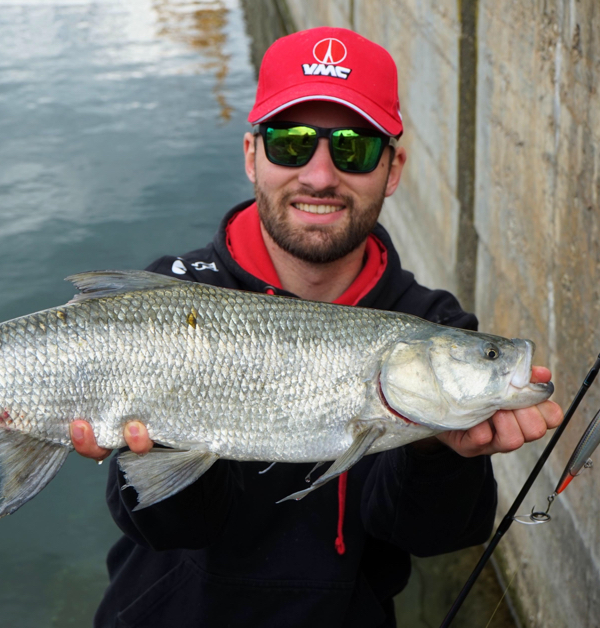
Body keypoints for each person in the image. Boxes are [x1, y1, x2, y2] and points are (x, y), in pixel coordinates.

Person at [69, 26, 563, 627]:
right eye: (291, 143)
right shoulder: (176, 296)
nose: (321, 176)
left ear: (393, 166)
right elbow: (158, 525)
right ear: (252, 156)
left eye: (353, 148)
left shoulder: (432, 322)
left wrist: (436, 452)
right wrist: (160, 449)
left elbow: (434, 536)